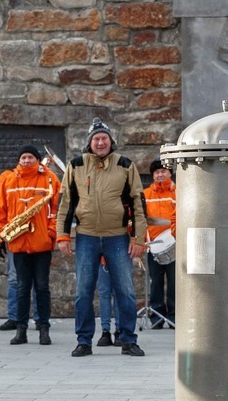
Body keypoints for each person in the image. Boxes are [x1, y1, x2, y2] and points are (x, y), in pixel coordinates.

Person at [56, 117, 147, 357]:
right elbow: (65, 203)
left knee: (125, 290)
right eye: (96, 138)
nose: (100, 142)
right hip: (86, 236)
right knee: (83, 291)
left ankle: (128, 340)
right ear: (89, 142)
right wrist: (62, 235)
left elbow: (138, 203)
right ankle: (84, 341)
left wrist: (139, 239)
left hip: (117, 237)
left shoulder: (126, 165)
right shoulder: (75, 166)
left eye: (104, 138)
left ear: (111, 141)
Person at [0, 146, 60, 346]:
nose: (27, 160)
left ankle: (44, 329)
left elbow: (56, 209)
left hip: (42, 244)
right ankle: (21, 330)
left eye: (30, 157)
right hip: (18, 242)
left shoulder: (50, 179)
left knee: (42, 287)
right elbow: (0, 211)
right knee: (22, 288)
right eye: (23, 157)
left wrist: (51, 233)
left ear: (37, 160)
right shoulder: (9, 180)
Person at [144, 159, 176, 329]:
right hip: (154, 244)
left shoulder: (179, 192)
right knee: (155, 281)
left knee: (174, 282)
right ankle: (156, 316)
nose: (160, 174)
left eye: (163, 171)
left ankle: (174, 315)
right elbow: (142, 220)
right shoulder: (146, 194)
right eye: (156, 172)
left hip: (174, 244)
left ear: (170, 173)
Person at [96, 257, 121, 346]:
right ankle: (105, 331)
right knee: (104, 294)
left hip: (118, 256)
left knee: (118, 294)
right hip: (101, 258)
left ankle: (119, 330)